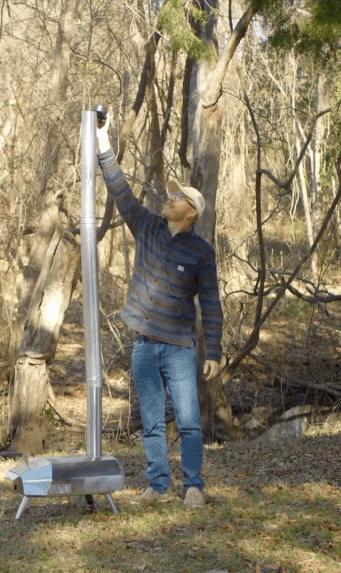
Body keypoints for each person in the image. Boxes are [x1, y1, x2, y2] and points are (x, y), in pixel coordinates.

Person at [95, 113, 222, 509]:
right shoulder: (147, 226)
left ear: (189, 212)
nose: (168, 198)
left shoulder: (201, 252)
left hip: (180, 348)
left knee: (187, 421)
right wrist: (103, 142)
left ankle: (194, 487)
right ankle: (157, 487)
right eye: (170, 195)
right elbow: (121, 193)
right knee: (150, 422)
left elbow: (212, 303)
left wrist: (214, 351)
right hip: (144, 345)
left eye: (176, 198)